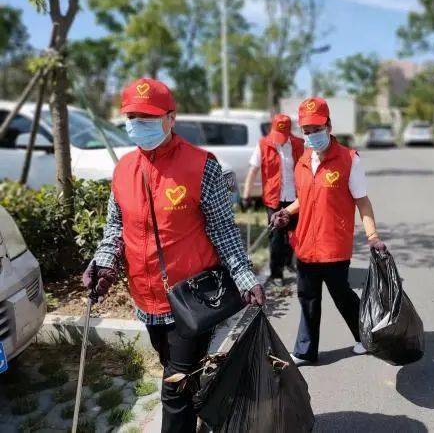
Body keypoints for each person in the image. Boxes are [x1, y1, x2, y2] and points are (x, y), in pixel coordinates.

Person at [82, 78, 265, 433]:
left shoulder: (202, 167)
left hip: (191, 299)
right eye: (132, 117)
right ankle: (203, 405)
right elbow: (115, 230)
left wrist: (245, 277)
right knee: (176, 369)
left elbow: (224, 232)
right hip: (145, 298)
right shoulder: (122, 171)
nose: (139, 125)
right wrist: (103, 264)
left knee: (173, 390)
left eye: (148, 118)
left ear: (171, 118)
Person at [271, 97, 386, 365]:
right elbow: (305, 198)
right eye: (306, 131)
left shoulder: (348, 159)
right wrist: (287, 212)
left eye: (316, 129)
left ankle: (366, 336)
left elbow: (362, 201)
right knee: (307, 298)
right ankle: (305, 351)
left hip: (334, 246)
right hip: (306, 245)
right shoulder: (303, 160)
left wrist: (373, 236)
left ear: (329, 126)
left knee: (343, 295)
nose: (311, 136)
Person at [242, 114, 304, 285]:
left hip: (295, 199)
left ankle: (289, 262)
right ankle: (277, 273)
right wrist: (246, 195)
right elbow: (253, 170)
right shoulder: (263, 144)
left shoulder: (299, 144)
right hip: (274, 199)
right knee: (276, 238)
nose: (282, 141)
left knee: (295, 235)